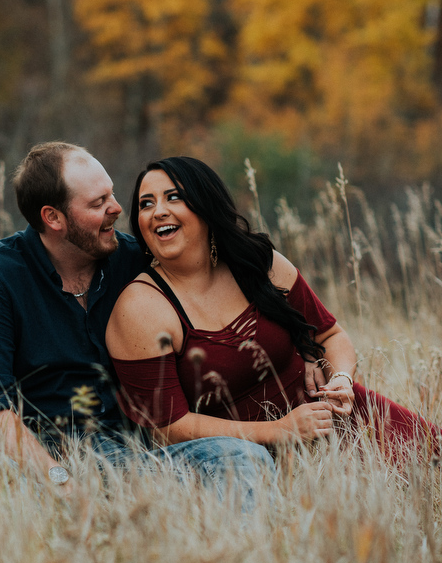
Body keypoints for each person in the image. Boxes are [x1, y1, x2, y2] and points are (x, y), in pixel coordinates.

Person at [0, 142, 275, 503]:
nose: (118, 208)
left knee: (244, 457)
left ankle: (234, 555)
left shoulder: (134, 260)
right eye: (98, 203)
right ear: (53, 218)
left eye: (111, 193)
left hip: (144, 454)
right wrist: (60, 483)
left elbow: (217, 296)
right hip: (52, 461)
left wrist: (309, 350)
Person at [106, 156, 441, 459]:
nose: (157, 211)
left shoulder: (257, 264)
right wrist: (279, 430)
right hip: (251, 457)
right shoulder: (141, 307)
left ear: (206, 206)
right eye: (146, 204)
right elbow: (166, 428)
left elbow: (331, 334)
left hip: (343, 420)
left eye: (173, 196)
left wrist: (340, 378)